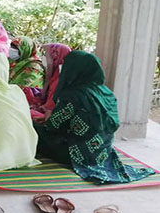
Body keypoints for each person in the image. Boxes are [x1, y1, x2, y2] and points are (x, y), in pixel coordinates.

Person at [34, 51, 154, 184]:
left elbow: (53, 127)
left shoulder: (73, 95)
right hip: (103, 153)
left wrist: (48, 116)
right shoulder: (105, 92)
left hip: (76, 155)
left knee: (33, 130)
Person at [27, 43, 72, 119]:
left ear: (56, 57)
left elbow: (50, 108)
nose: (43, 58)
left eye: (46, 55)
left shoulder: (61, 79)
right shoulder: (54, 75)